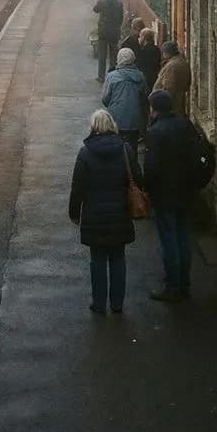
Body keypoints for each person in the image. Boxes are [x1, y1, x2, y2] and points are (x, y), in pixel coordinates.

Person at [69, 108, 141, 314]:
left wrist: (74, 213)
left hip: (94, 215)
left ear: (93, 127)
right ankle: (117, 304)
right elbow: (138, 177)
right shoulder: (126, 150)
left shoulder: (85, 152)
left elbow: (78, 187)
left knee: (97, 260)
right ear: (112, 126)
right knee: (118, 259)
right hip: (119, 214)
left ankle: (99, 303)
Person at [144, 89, 196, 301]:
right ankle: (184, 284)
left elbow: (152, 167)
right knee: (183, 237)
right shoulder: (185, 125)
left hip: (165, 194)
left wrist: (148, 189)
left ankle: (172, 285)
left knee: (169, 240)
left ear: (153, 109)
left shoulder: (155, 132)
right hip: (186, 190)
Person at [101, 47, 148, 159]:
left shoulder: (112, 76)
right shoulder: (140, 76)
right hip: (134, 118)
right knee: (132, 147)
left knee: (115, 148)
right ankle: (132, 172)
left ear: (119, 59)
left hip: (116, 118)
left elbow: (105, 98)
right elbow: (145, 95)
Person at [92, 0, 124, 82]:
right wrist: (118, 26)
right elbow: (121, 17)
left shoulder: (102, 1)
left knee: (102, 55)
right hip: (114, 32)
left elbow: (95, 9)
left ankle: (101, 77)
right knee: (113, 55)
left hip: (103, 32)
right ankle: (112, 76)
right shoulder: (119, 2)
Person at [152, 39, 192, 114]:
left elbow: (168, 87)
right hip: (178, 101)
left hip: (171, 106)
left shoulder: (172, 66)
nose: (162, 55)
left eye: (163, 52)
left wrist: (161, 104)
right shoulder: (182, 62)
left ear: (167, 53)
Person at [135, 27, 162, 98]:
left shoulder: (142, 52)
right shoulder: (157, 50)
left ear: (144, 38)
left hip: (144, 81)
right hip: (154, 79)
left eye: (140, 36)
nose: (139, 38)